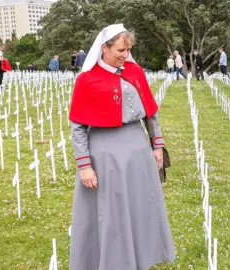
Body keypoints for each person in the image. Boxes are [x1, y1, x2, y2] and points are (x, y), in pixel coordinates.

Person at [68, 24, 175, 269]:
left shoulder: (135, 72)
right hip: (105, 154)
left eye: (128, 49)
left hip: (137, 150)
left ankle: (140, 259)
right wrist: (85, 166)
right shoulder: (87, 79)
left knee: (140, 206)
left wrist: (157, 146)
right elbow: (78, 127)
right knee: (111, 212)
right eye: (120, 50)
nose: (125, 54)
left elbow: (150, 113)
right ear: (104, 48)